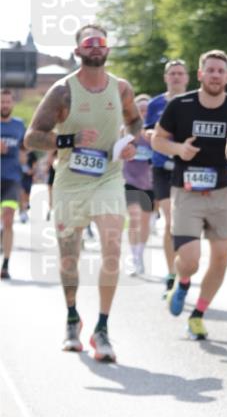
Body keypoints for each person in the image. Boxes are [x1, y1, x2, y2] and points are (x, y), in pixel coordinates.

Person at [24, 25, 141, 361]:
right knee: (69, 257)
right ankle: (72, 317)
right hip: (71, 183)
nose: (94, 47)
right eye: (88, 43)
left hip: (108, 176)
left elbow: (134, 122)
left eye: (100, 42)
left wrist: (130, 140)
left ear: (107, 49)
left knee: (112, 247)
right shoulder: (62, 91)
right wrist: (69, 140)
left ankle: (102, 328)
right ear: (78, 51)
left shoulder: (121, 89)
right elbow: (33, 137)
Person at [151, 50, 227, 340]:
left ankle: (198, 314)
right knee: (189, 260)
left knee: (220, 257)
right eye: (210, 70)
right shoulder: (180, 105)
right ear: (201, 74)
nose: (215, 75)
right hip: (186, 192)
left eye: (220, 71)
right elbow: (157, 139)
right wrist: (179, 149)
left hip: (221, 193)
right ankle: (183, 281)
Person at [144, 59, 189, 296]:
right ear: (166, 78)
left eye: (180, 73)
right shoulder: (155, 104)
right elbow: (147, 130)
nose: (176, 77)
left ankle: (185, 268)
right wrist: (153, 134)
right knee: (171, 220)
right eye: (172, 73)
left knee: (187, 223)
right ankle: (172, 274)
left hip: (188, 168)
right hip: (162, 167)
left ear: (188, 78)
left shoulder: (195, 101)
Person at [122, 93, 154, 275]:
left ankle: (139, 253)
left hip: (149, 183)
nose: (143, 112)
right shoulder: (126, 132)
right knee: (133, 218)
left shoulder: (155, 133)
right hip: (130, 181)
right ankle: (133, 258)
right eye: (140, 109)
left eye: (146, 109)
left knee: (144, 222)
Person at [1, 89, 26, 279]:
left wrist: (25, 164)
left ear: (12, 104)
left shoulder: (19, 126)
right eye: (2, 102)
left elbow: (25, 149)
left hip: (11, 179)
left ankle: (6, 264)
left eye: (7, 102)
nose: (4, 105)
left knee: (8, 218)